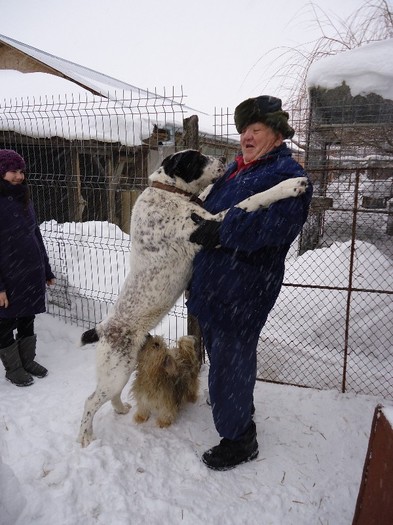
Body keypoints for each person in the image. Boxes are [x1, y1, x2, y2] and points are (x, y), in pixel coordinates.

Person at [187, 95, 313, 470]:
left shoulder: (288, 176)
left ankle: (239, 439)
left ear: (276, 133)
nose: (247, 137)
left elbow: (275, 228)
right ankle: (236, 402)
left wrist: (221, 232)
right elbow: (206, 211)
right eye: (243, 130)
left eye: (255, 130)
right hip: (213, 284)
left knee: (231, 359)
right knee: (225, 356)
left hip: (243, 287)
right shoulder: (236, 170)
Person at [0, 149, 55, 387]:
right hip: (7, 275)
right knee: (4, 323)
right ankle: (13, 368)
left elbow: (35, 234)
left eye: (21, 171)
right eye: (13, 171)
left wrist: (46, 269)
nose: (19, 176)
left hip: (29, 272)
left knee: (27, 317)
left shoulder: (24, 196)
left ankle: (27, 361)